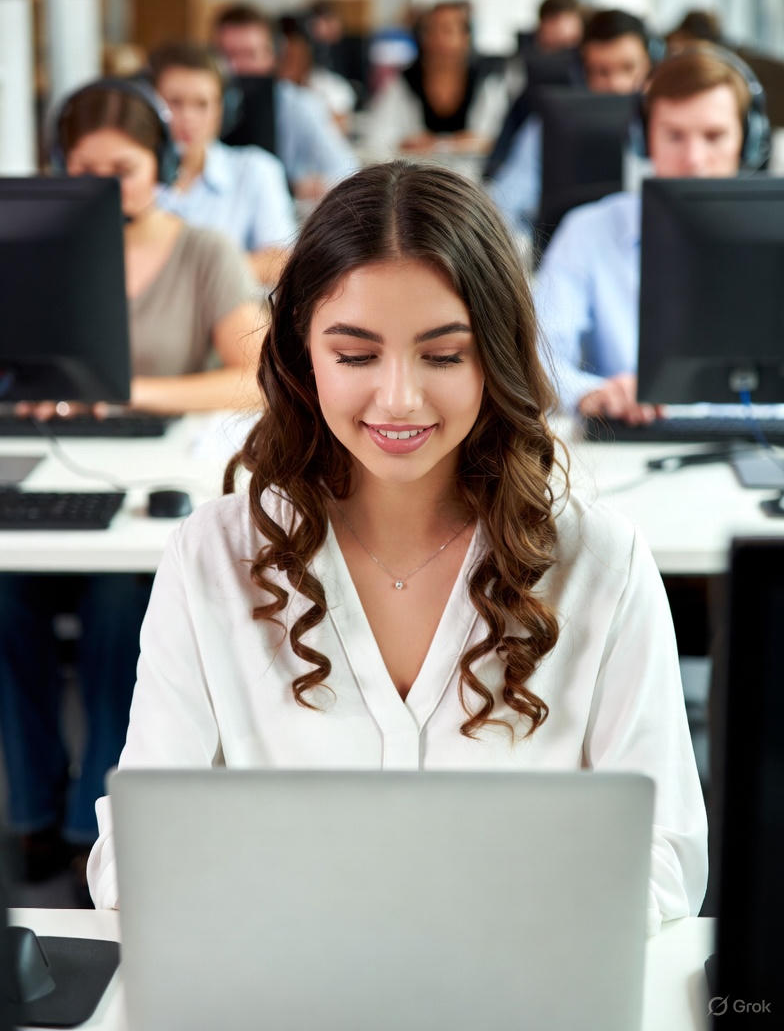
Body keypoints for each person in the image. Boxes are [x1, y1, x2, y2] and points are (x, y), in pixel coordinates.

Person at [87, 161, 707, 935]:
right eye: (355, 356)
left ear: (498, 358)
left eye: (444, 356)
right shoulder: (211, 557)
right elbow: (131, 858)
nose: (400, 399)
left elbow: (667, 858)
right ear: (300, 357)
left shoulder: (601, 564)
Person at [0, 79, 265, 893]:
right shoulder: (30, 248)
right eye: (87, 169)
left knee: (124, 604)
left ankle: (92, 819)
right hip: (56, 468)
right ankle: (31, 806)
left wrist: (124, 389)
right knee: (7, 598)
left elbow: (254, 375)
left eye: (126, 167)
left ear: (162, 166)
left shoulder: (204, 250)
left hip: (148, 485)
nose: (108, 186)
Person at [535, 45, 766, 421]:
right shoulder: (588, 231)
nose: (693, 159)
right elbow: (533, 358)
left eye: (713, 136)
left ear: (748, 141)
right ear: (645, 140)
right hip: (633, 448)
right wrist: (593, 393)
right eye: (674, 135)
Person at [488, 9, 653, 234]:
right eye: (602, 72)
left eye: (628, 68)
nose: (616, 84)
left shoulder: (670, 126)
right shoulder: (550, 127)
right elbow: (504, 204)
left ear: (649, 65)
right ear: (582, 72)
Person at [149, 42, 296, 287]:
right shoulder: (131, 178)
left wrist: (197, 274)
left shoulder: (256, 169)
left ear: (221, 111)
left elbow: (281, 263)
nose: (188, 117)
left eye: (201, 104)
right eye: (174, 103)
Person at [212, 1, 358, 202]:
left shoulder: (299, 105)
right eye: (227, 55)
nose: (237, 67)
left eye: (249, 55)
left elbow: (347, 171)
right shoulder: (203, 106)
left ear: (272, 56)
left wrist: (299, 186)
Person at [363, 0, 510, 159]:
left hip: (472, 177)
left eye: (447, 30)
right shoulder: (404, 81)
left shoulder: (487, 81)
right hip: (416, 175)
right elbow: (376, 139)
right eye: (430, 31)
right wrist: (457, 143)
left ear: (465, 37)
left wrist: (438, 145)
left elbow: (496, 140)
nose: (438, 39)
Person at [278, 16, 357, 133]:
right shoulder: (270, 88)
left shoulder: (332, 87)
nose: (291, 64)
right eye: (285, 57)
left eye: (297, 57)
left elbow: (339, 131)